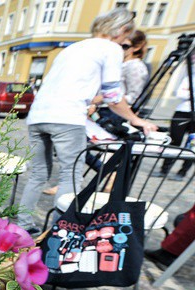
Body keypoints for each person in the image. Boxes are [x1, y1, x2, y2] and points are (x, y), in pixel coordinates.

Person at [16, 8, 157, 234]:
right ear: (121, 30)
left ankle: (22, 227)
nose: (124, 43)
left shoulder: (72, 48)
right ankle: (60, 233)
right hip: (67, 117)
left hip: (38, 116)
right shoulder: (110, 48)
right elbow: (113, 95)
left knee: (38, 175)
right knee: (70, 175)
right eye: (126, 37)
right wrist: (135, 119)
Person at [155, 56, 195, 181]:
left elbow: (186, 93)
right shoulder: (189, 76)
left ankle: (182, 172)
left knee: (192, 145)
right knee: (174, 141)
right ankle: (164, 169)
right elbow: (179, 93)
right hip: (182, 111)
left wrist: (189, 92)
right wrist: (190, 93)